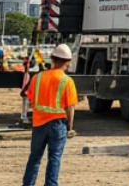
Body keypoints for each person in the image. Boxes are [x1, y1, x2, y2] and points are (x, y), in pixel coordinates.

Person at [23, 44, 78, 186]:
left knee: (34, 158)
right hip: (58, 125)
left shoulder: (38, 77)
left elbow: (31, 100)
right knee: (54, 159)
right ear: (68, 62)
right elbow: (70, 107)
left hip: (39, 124)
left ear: (53, 59)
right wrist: (70, 127)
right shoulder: (67, 81)